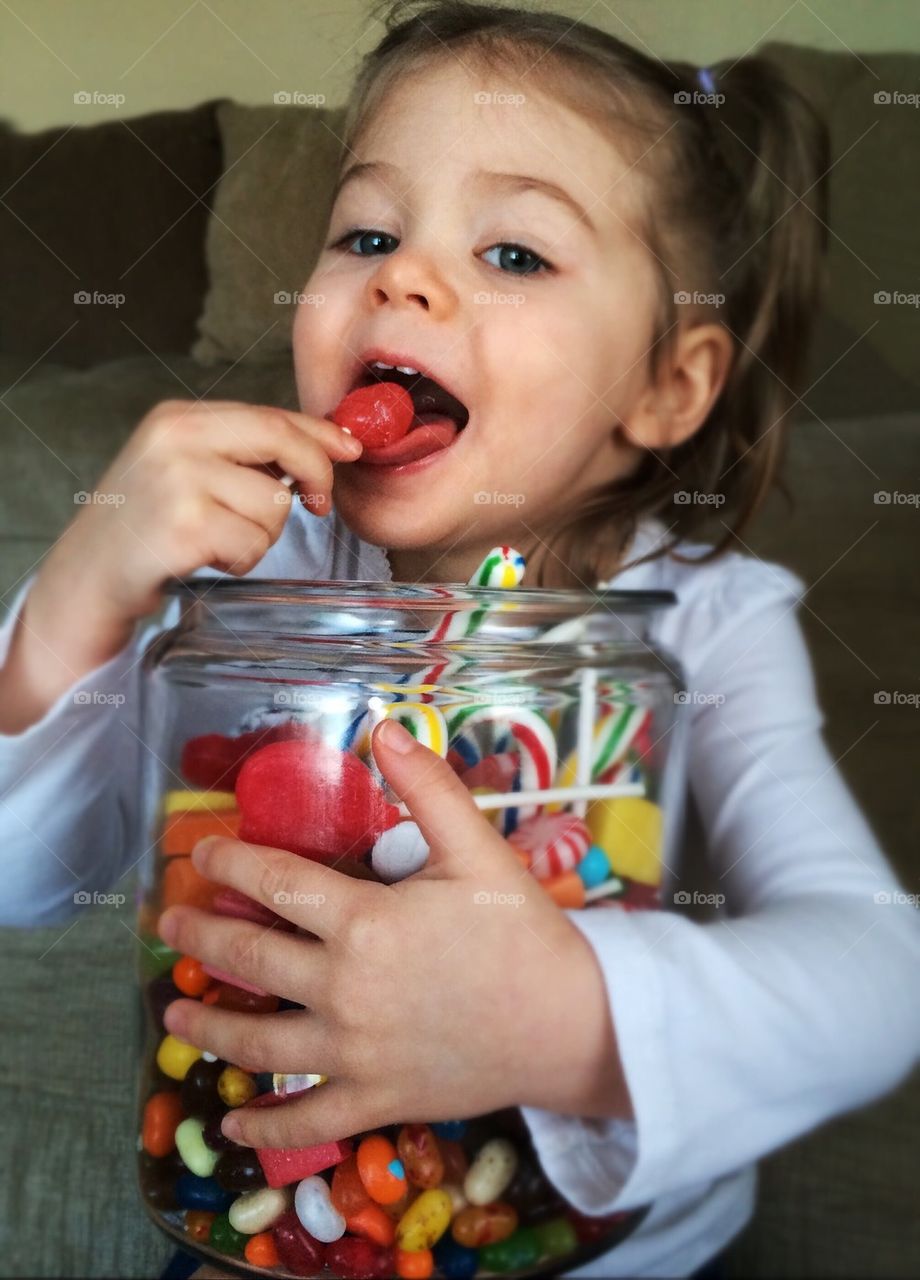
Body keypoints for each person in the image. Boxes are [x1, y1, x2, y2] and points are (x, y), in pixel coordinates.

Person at [1, 3, 917, 1276]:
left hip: (592, 1244)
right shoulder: (254, 579)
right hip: (266, 1225)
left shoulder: (700, 622)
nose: (402, 277)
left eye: (515, 253)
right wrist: (80, 588)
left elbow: (879, 976)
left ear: (668, 383)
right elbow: (17, 873)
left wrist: (558, 1021)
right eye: (368, 231)